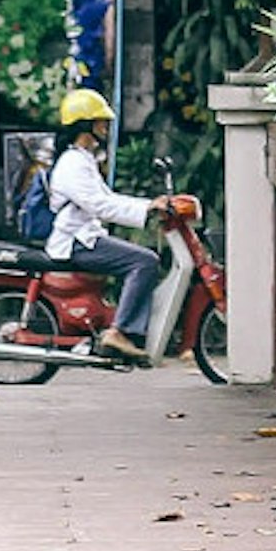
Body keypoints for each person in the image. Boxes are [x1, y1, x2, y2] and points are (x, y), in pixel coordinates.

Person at [45, 87, 166, 363]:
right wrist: (146, 207)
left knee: (141, 259)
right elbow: (100, 206)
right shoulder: (73, 163)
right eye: (100, 122)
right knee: (144, 262)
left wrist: (147, 205)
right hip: (77, 242)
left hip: (85, 236)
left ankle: (121, 327)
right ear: (85, 124)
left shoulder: (82, 159)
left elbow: (105, 199)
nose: (105, 127)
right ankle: (120, 331)